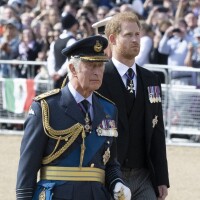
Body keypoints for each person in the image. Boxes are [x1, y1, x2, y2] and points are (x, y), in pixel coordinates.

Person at [16, 35, 131, 200]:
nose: (97, 72)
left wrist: (117, 181)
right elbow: (27, 167)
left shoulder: (109, 109)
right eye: (91, 65)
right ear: (72, 68)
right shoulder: (46, 107)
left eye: (100, 66)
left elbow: (110, 162)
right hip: (57, 195)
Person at [97, 12, 169, 200]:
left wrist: (161, 177)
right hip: (109, 176)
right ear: (112, 39)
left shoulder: (151, 79)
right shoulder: (99, 77)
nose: (135, 40)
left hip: (144, 175)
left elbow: (157, 131)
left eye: (137, 34)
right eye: (128, 35)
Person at [47, 12, 79, 89]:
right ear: (73, 25)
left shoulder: (55, 42)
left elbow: (50, 59)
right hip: (67, 79)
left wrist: (52, 73)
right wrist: (60, 73)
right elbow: (70, 60)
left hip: (56, 78)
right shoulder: (72, 41)